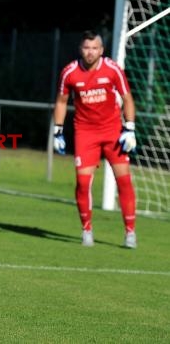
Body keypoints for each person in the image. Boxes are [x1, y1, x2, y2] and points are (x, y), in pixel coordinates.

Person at [53, 30, 137, 248]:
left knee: (124, 181)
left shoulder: (112, 70)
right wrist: (57, 131)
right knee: (82, 183)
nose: (90, 52)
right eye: (86, 48)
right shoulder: (69, 72)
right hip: (85, 133)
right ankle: (86, 230)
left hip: (112, 132)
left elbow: (127, 97)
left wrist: (130, 128)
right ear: (81, 49)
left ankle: (130, 232)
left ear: (101, 50)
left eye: (94, 48)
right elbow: (62, 102)